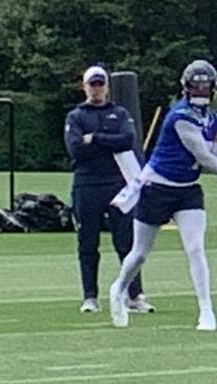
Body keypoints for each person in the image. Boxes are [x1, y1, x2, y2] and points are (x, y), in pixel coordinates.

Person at [108, 60, 217, 331]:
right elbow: (201, 155)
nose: (201, 90)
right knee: (140, 253)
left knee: (195, 248)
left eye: (206, 85)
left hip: (187, 190)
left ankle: (206, 310)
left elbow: (212, 156)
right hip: (158, 187)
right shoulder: (179, 116)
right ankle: (119, 289)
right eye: (197, 85)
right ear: (186, 87)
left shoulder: (213, 119)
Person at [63, 66, 154, 314]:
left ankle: (134, 295)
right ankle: (90, 297)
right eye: (92, 84)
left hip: (117, 184)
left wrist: (96, 138)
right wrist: (107, 142)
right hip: (87, 184)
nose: (97, 89)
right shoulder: (76, 116)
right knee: (87, 242)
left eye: (100, 84)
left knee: (127, 242)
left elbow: (127, 141)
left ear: (106, 86)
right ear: (85, 87)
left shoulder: (120, 113)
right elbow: (76, 150)